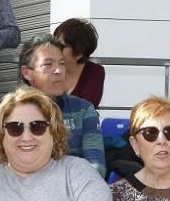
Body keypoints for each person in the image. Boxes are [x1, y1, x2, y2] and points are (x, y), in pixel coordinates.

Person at [19, 34, 106, 176]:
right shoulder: (11, 112)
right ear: (27, 73)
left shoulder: (84, 109)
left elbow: (97, 165)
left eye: (62, 63)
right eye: (48, 64)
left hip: (76, 190)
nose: (59, 70)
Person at [54, 18, 105, 107]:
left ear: (79, 53)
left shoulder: (95, 72)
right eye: (53, 43)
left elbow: (87, 106)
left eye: (61, 46)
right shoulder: (48, 68)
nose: (54, 49)